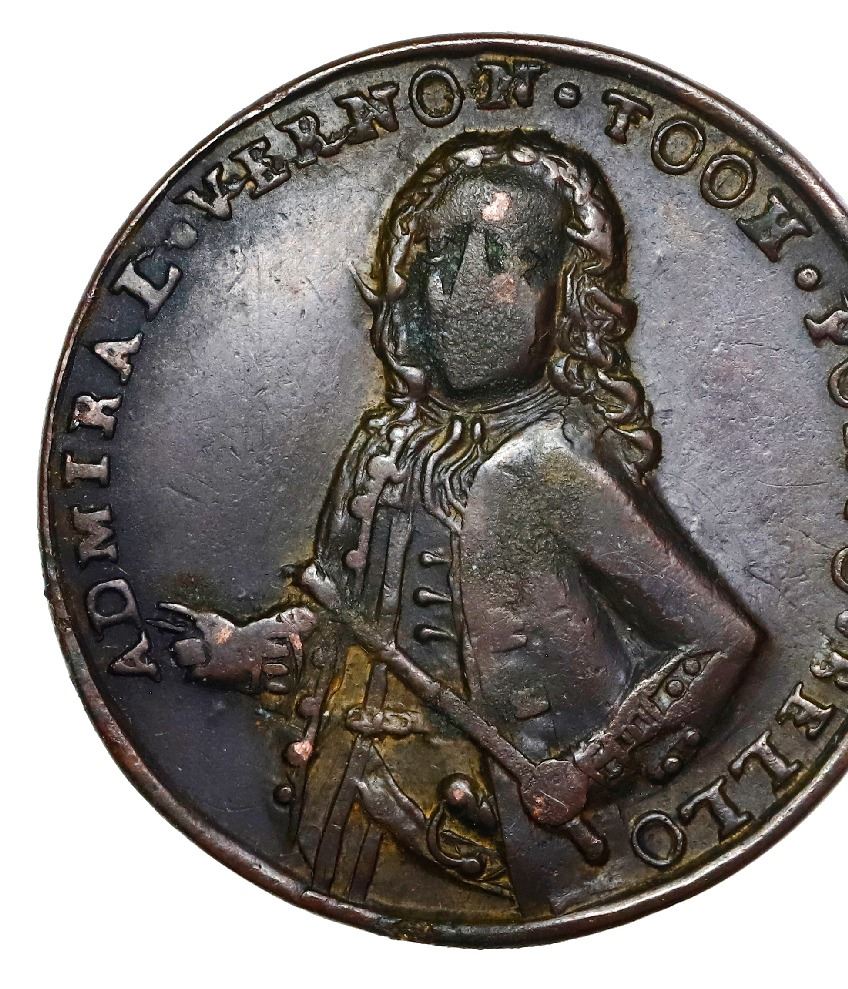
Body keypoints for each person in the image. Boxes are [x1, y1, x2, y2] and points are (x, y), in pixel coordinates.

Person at [160, 130, 761, 919]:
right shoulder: (387, 444)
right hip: (336, 803)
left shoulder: (549, 463)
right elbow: (348, 611)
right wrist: (258, 644)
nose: (462, 292)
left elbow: (719, 641)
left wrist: (589, 767)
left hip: (482, 835)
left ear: (564, 293)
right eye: (444, 257)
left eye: (501, 260)